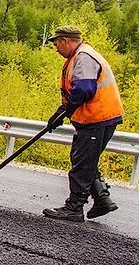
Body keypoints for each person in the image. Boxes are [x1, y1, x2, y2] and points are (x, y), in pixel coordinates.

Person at [42, 26, 123, 222]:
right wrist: (63, 111)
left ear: (66, 41)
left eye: (56, 43)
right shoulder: (80, 55)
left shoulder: (83, 57)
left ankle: (74, 207)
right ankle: (103, 199)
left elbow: (84, 89)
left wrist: (65, 110)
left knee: (82, 162)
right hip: (97, 118)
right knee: (86, 159)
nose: (56, 48)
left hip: (98, 117)